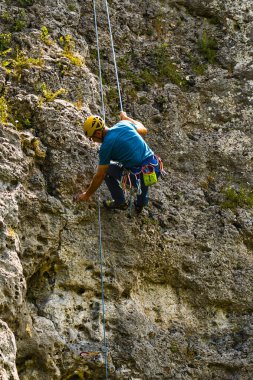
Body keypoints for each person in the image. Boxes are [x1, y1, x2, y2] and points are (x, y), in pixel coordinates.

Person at [74, 111, 162, 213]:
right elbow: (144, 129)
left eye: (92, 137)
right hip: (155, 166)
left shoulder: (106, 147)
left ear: (98, 133)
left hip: (140, 176)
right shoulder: (124, 124)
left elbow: (100, 175)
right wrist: (126, 118)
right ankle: (140, 204)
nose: (93, 141)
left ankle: (120, 201)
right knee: (141, 173)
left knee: (108, 171)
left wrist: (86, 195)